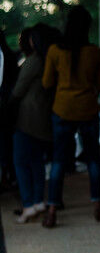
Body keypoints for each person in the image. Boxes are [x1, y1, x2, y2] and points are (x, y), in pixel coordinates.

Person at [41, 5, 100, 227]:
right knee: (93, 160)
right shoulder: (95, 52)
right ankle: (97, 206)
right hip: (87, 109)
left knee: (59, 161)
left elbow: (47, 83)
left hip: (62, 108)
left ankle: (51, 210)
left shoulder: (55, 51)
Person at [11, 24, 54, 222]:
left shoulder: (33, 61)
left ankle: (28, 204)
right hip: (43, 117)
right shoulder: (49, 59)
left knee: (20, 161)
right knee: (37, 162)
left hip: (27, 118)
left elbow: (18, 91)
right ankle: (38, 201)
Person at [0, 30, 19, 191]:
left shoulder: (6, 57)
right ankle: (9, 175)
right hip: (8, 105)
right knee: (7, 143)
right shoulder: (10, 56)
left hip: (6, 104)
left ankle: (7, 176)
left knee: (5, 144)